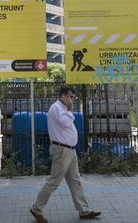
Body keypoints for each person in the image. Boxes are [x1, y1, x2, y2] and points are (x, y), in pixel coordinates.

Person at [30, 86, 101, 223]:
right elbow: (65, 122)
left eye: (73, 97)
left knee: (75, 180)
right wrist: (69, 110)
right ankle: (36, 209)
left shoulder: (63, 109)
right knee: (53, 182)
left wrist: (68, 110)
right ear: (63, 96)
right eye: (70, 97)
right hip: (61, 150)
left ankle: (83, 210)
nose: (72, 99)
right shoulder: (56, 108)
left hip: (69, 150)